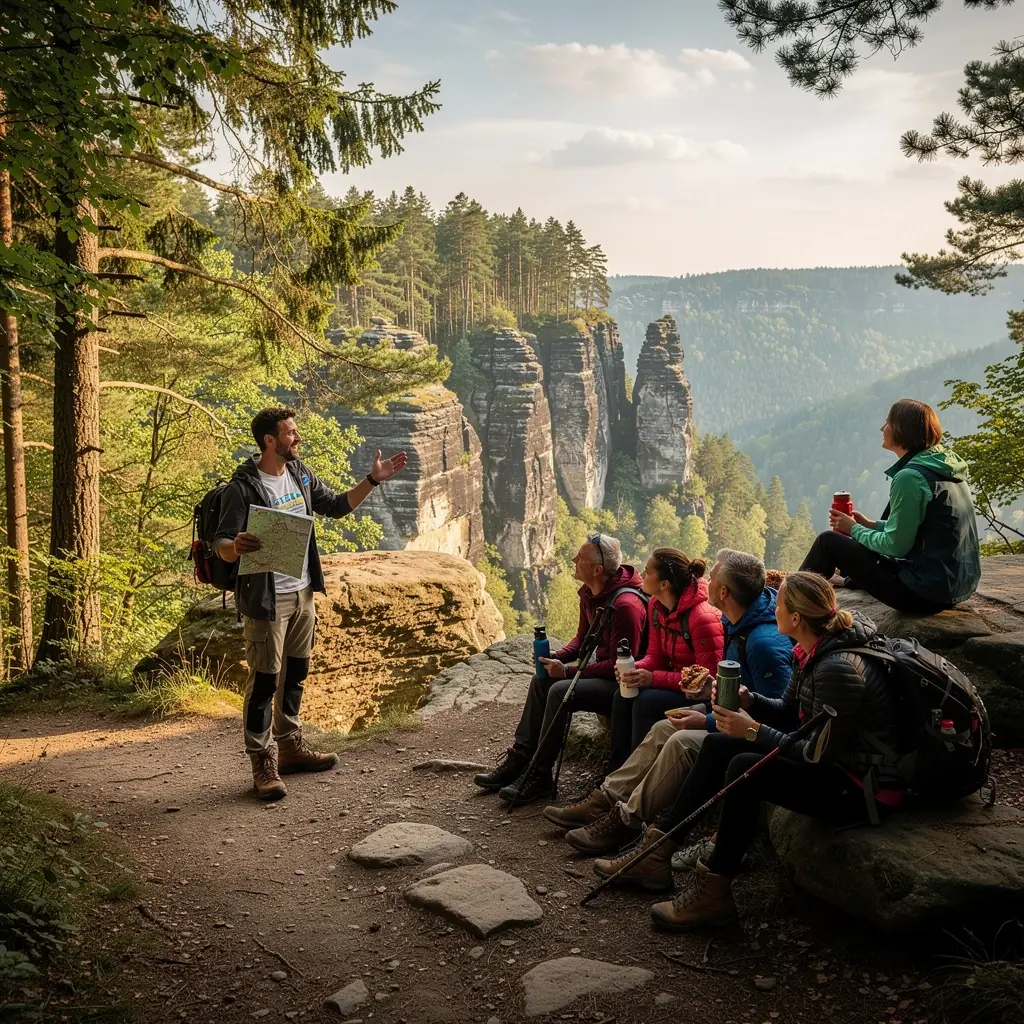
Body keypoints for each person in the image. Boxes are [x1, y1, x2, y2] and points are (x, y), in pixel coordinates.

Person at [600, 572, 904, 931]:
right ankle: (657, 851)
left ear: (795, 618)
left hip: (861, 785)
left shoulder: (836, 668)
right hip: (838, 764)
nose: (772, 607)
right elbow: (789, 710)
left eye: (780, 604)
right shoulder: (810, 649)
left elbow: (819, 754)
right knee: (717, 743)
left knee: (746, 768)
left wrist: (755, 731)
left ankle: (714, 893)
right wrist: (750, 699)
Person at [543, 549, 792, 869]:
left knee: (678, 738)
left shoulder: (760, 641)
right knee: (664, 727)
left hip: (760, 739)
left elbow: (773, 715)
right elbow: (736, 694)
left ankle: (630, 824)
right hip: (730, 719)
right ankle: (608, 799)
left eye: (713, 578)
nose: (706, 582)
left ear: (724, 593)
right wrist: (705, 709)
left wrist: (706, 718)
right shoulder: (738, 622)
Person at [214, 406, 407, 801]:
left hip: (302, 592)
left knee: (296, 673)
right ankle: (262, 760)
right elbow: (220, 545)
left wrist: (373, 479)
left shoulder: (300, 475)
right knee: (265, 680)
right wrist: (235, 546)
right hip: (266, 599)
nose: (297, 438)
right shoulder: (243, 488)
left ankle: (290, 748)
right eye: (290, 433)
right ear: (270, 440)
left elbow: (335, 506)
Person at [473, 534, 647, 805]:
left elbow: (620, 663)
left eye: (580, 557)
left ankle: (539, 775)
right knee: (541, 681)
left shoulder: (626, 606)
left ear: (597, 569)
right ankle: (520, 758)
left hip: (622, 686)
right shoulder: (590, 593)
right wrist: (559, 656)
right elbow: (582, 638)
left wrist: (567, 673)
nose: (574, 560)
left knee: (559, 691)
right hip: (605, 675)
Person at [800, 398, 981, 613]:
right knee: (858, 548)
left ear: (901, 430)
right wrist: (870, 524)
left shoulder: (910, 477)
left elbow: (896, 546)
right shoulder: (942, 465)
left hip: (924, 595)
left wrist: (854, 530)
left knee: (827, 542)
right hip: (954, 586)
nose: (882, 428)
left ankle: (790, 604)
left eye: (887, 423)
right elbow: (922, 528)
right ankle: (842, 584)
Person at [605, 549, 725, 772]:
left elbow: (706, 679)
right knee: (622, 695)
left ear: (664, 584)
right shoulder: (655, 605)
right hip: (676, 683)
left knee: (645, 701)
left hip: (699, 694)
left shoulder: (702, 618)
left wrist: (651, 678)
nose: (642, 573)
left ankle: (639, 773)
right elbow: (655, 656)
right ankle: (616, 770)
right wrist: (634, 669)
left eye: (648, 571)